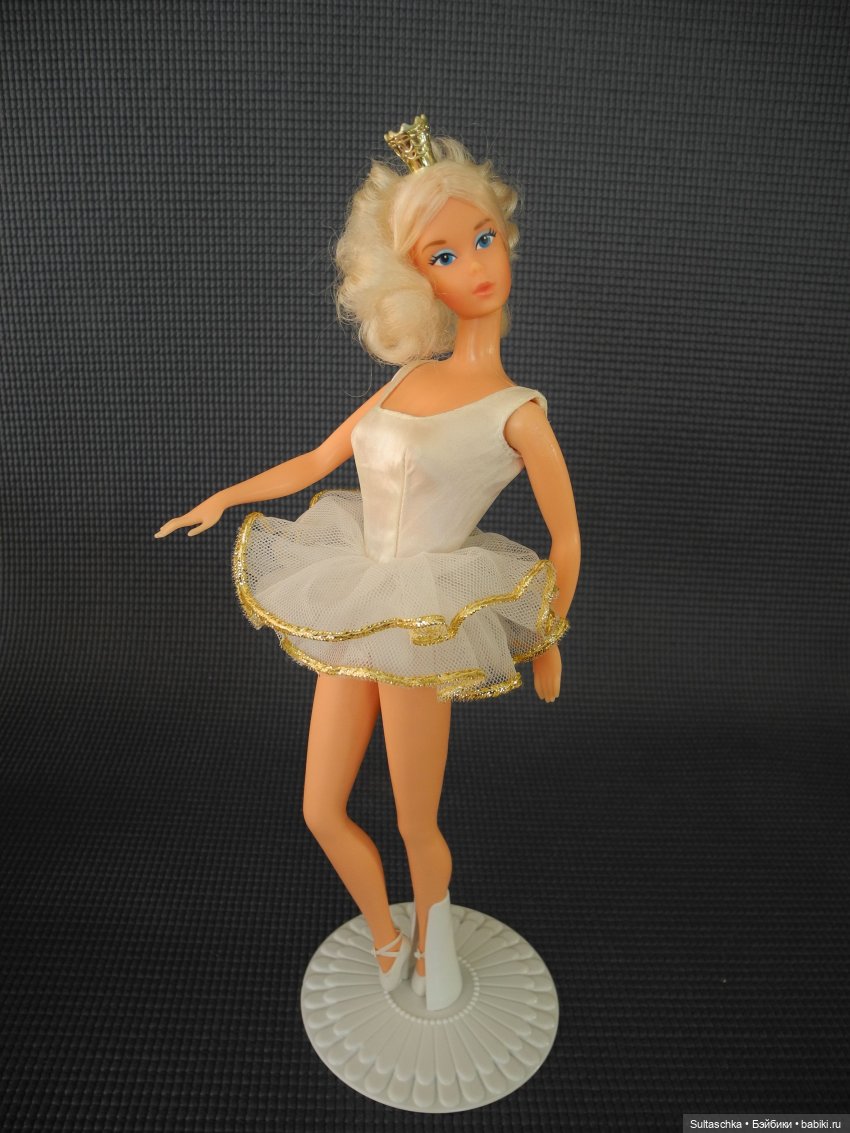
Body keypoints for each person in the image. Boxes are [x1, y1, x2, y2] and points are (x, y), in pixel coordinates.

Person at [156, 116, 581, 1012]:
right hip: (357, 597)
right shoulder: (404, 378)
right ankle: (388, 933)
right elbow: (320, 461)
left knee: (415, 818)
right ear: (413, 278)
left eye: (483, 239)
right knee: (320, 808)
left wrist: (546, 637)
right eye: (443, 255)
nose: (475, 266)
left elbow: (566, 540)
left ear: (505, 235)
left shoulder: (517, 412)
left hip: (425, 616)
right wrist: (224, 497)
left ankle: (440, 947)